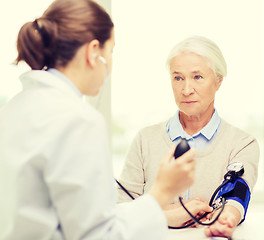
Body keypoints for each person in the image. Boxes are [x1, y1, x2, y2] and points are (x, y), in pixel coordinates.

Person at [0, 0, 196, 239]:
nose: (110, 63)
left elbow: (78, 219)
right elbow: (98, 235)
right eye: (110, 50)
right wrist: (163, 191)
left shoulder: (14, 109)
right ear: (94, 52)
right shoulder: (78, 121)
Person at [117, 36, 260, 238]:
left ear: (218, 81)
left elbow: (236, 199)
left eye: (197, 77)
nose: (186, 90)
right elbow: (121, 211)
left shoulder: (242, 144)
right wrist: (173, 215)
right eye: (178, 78)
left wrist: (226, 220)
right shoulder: (144, 140)